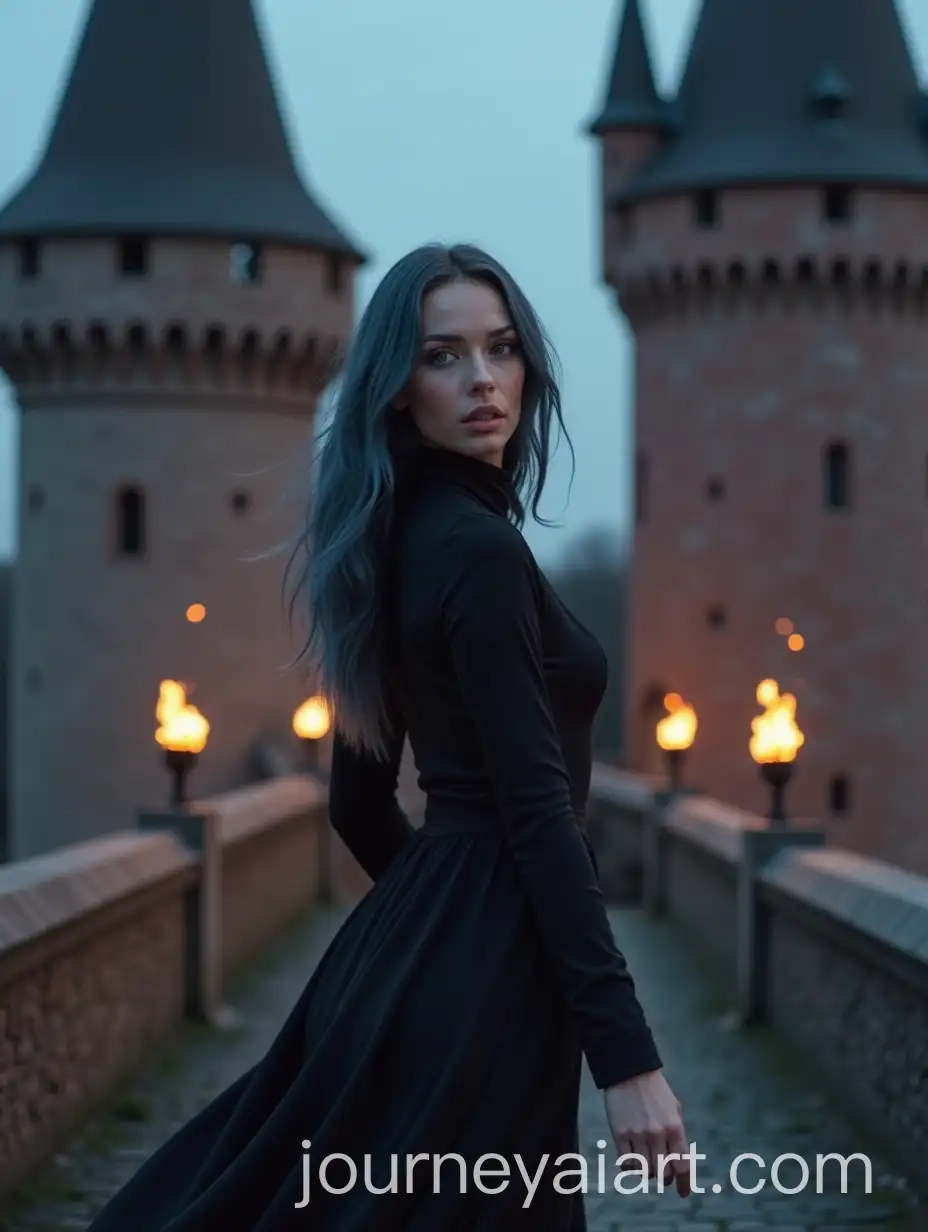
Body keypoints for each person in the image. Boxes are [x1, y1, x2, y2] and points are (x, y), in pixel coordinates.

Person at [87, 243, 689, 1230]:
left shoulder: (389, 539)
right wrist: (625, 1054)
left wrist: (426, 924)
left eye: (500, 348)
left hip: (406, 954)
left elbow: (357, 804)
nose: (482, 378)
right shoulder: (478, 552)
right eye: (443, 354)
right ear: (396, 387)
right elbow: (535, 806)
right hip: (488, 965)